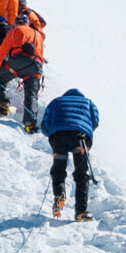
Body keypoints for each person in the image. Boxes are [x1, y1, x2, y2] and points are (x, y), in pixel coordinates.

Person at [41, 89, 100, 221]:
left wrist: (52, 136)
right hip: (80, 138)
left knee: (59, 169)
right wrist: (85, 130)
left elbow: (45, 124)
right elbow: (95, 120)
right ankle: (81, 212)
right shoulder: (88, 102)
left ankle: (59, 194)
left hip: (59, 138)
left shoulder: (56, 102)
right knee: (81, 173)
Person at [0, 16, 46, 130]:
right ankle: (30, 123)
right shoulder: (38, 35)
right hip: (36, 65)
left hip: (20, 60)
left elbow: (2, 52)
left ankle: (2, 106)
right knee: (31, 94)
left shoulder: (16, 31)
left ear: (17, 23)